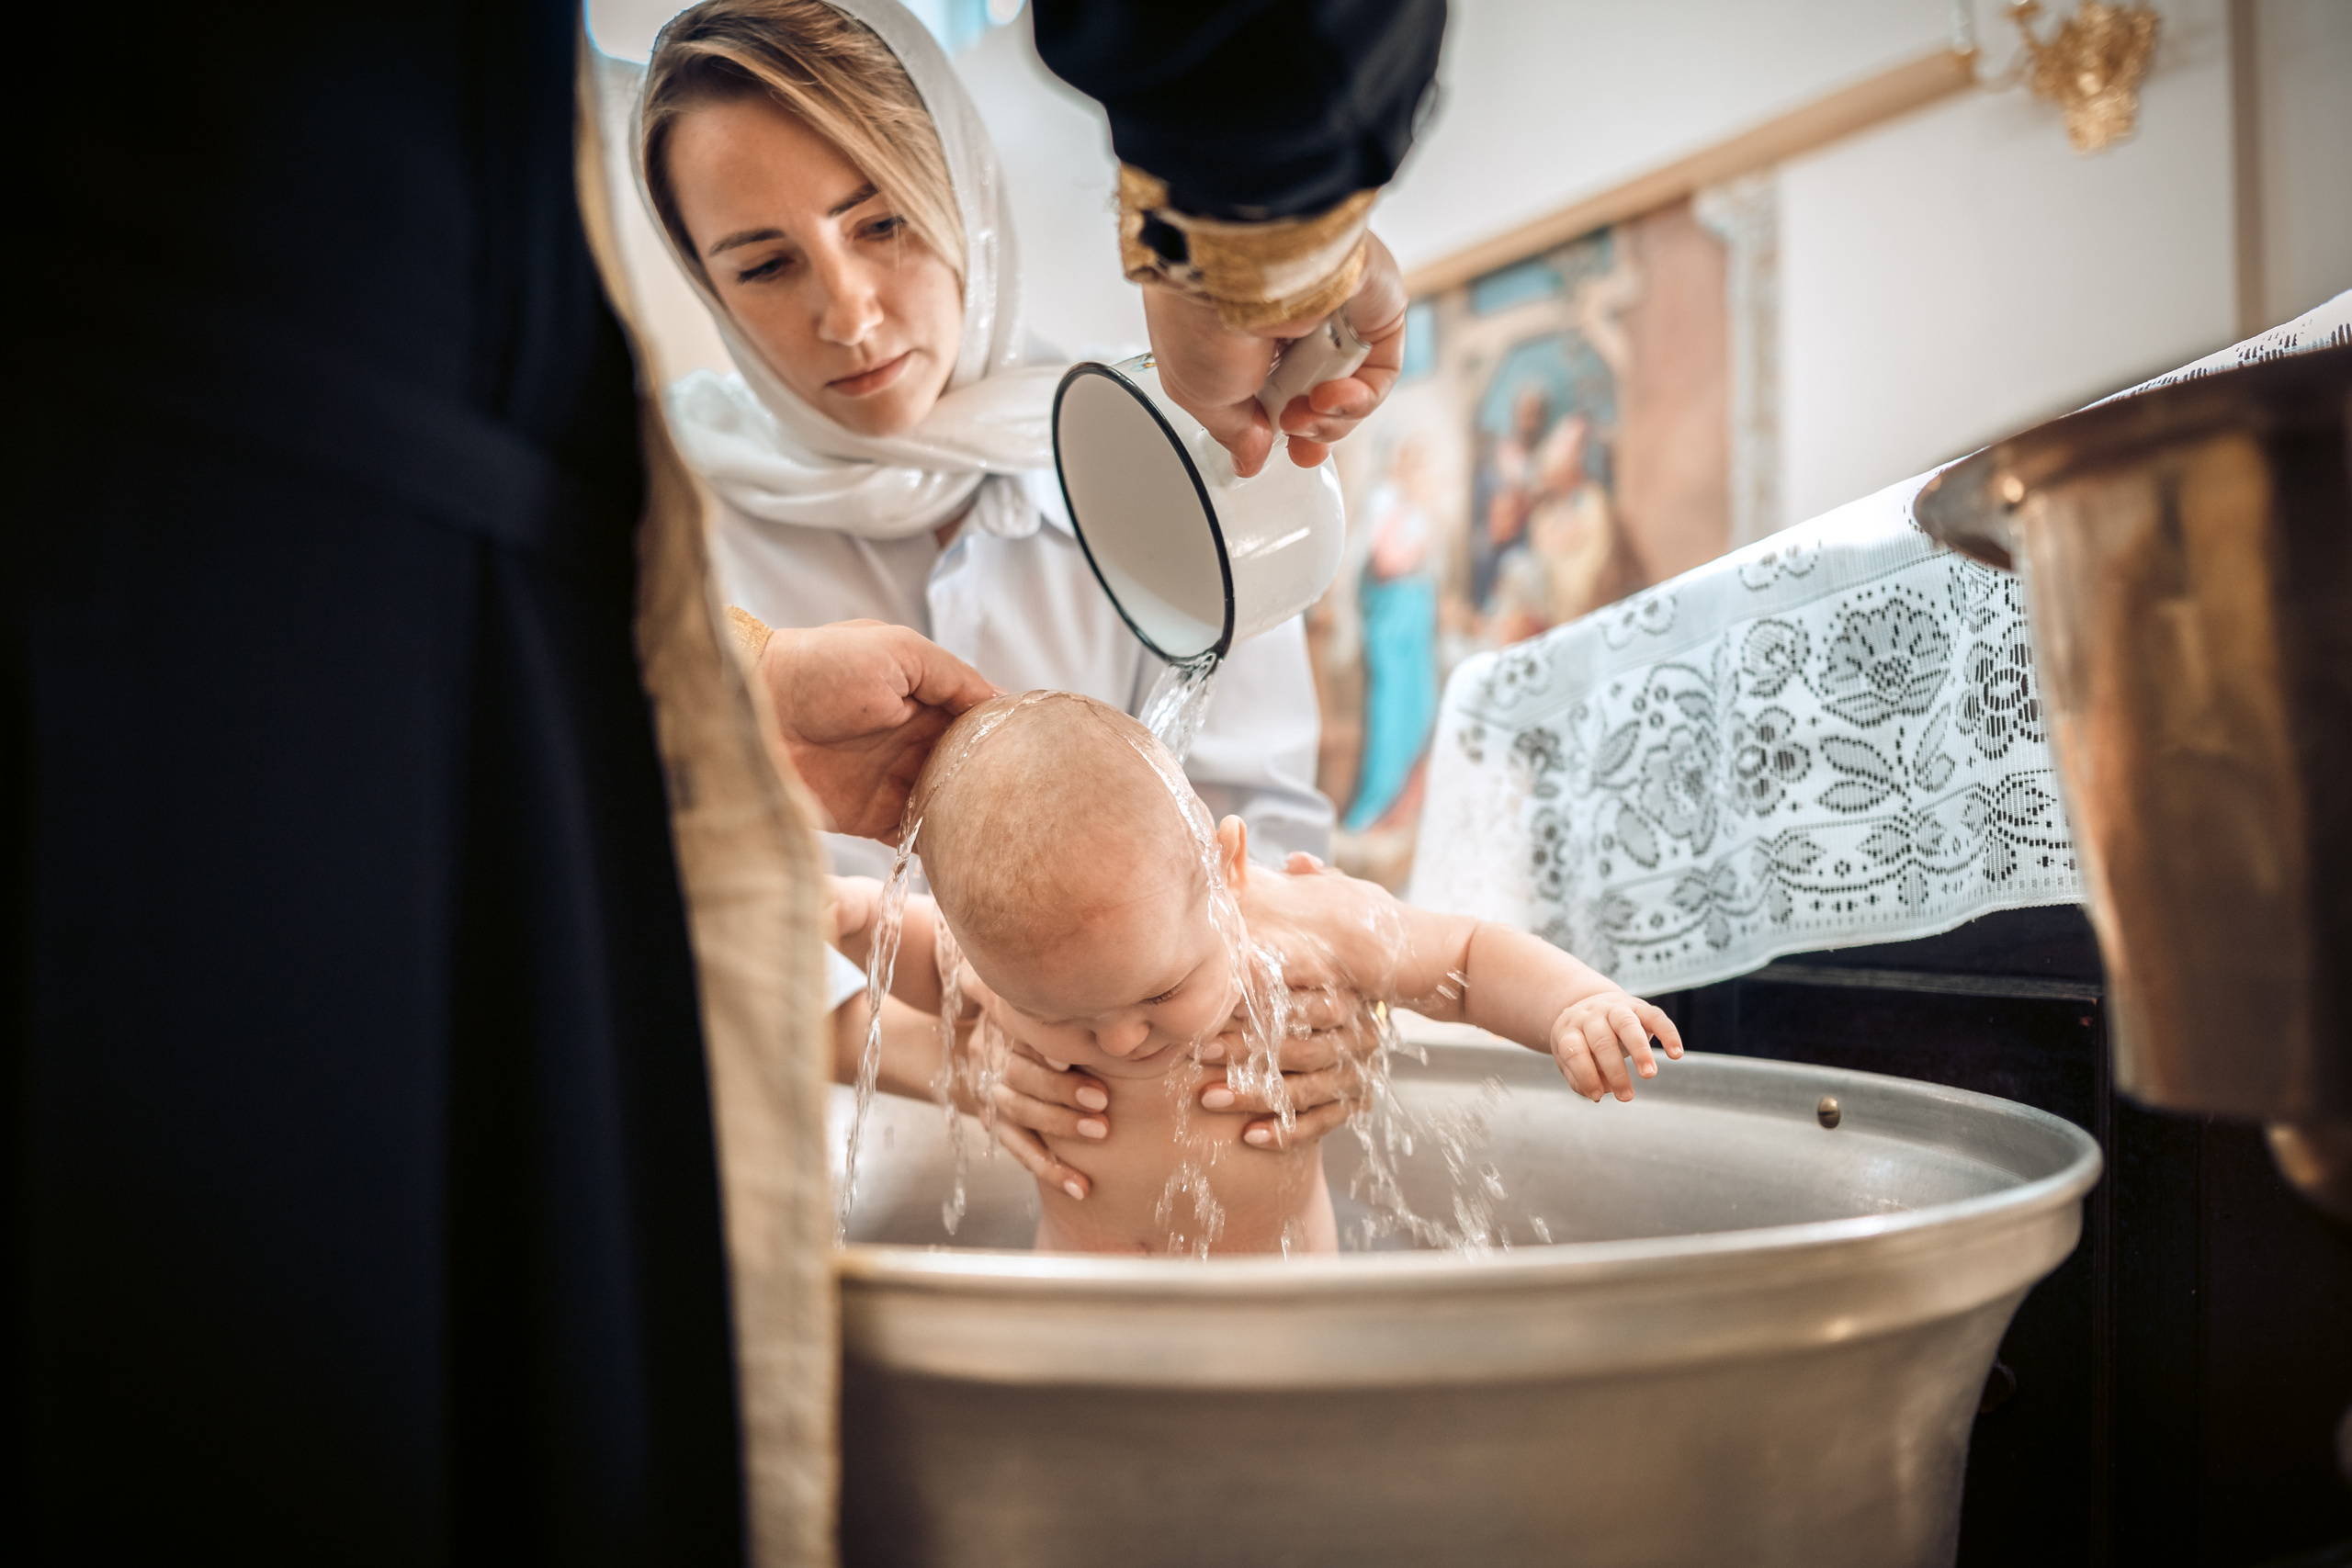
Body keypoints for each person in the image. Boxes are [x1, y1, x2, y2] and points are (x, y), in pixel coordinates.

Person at [635, 0, 1333, 878]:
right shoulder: (659, 517)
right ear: (709, 286)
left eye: (882, 223)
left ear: (965, 194)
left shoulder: (1178, 448)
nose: (849, 317)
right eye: (766, 265)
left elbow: (1261, 844)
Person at [836, 693, 1684, 1255]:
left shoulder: (1305, 924)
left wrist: (1573, 1003)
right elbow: (915, 952)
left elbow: (1463, 954)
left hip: (1281, 1314)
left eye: (1163, 992)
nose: (1122, 1037)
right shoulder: (1025, 954)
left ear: (1228, 868)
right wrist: (842, 912)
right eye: (1064, 1019)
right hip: (1076, 1313)